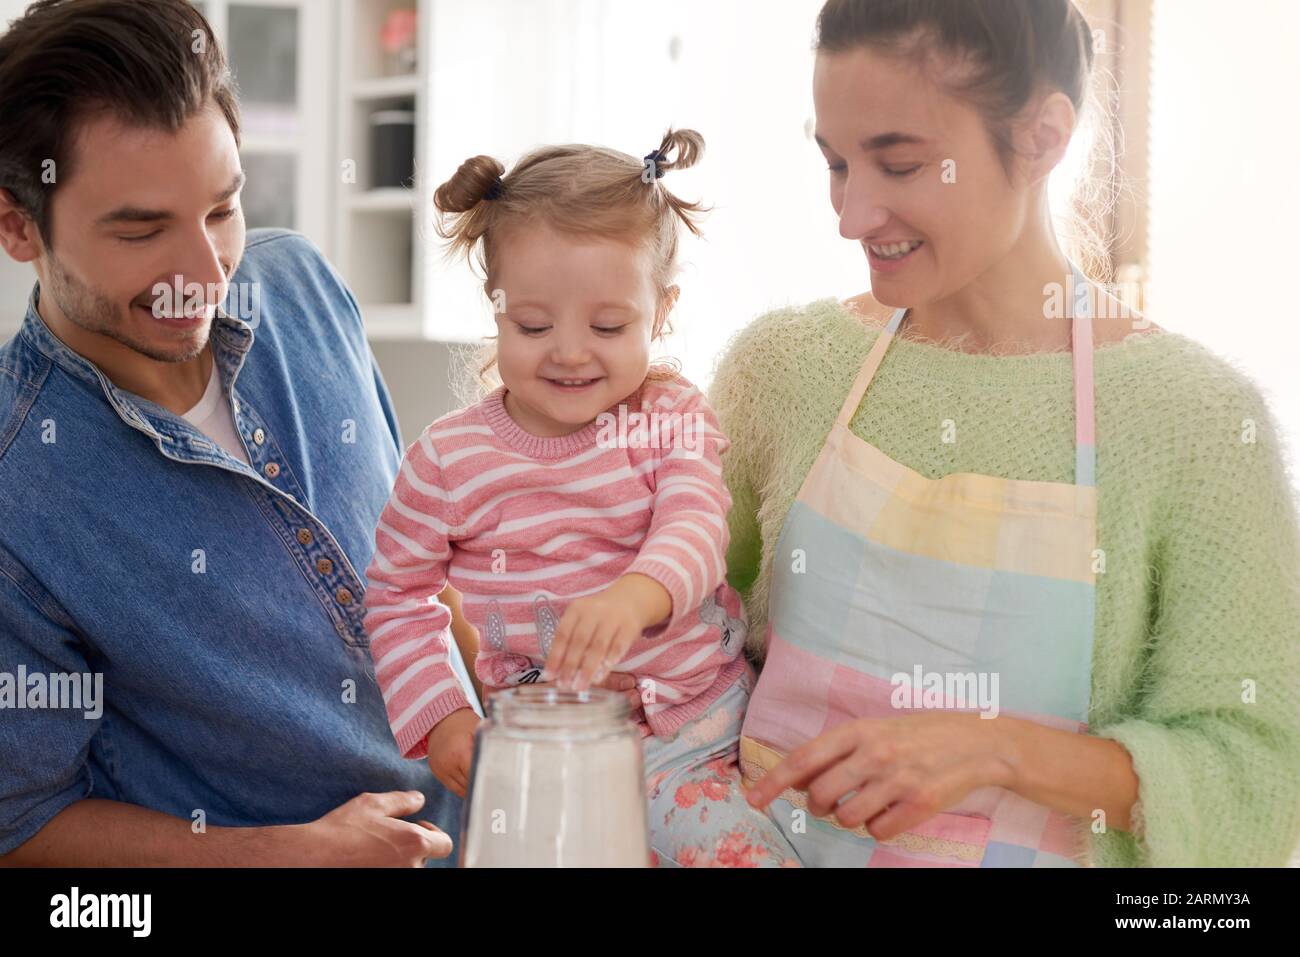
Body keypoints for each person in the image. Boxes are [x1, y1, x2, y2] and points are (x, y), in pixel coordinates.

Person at [712, 0, 1300, 866]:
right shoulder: (783, 368)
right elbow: (666, 635)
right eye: (836, 163)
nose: (852, 214)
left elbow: (1261, 777)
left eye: (900, 164)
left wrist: (998, 748)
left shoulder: (1195, 421)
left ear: (1041, 137)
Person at [0, 0, 460, 866]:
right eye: (141, 230)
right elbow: (22, 823)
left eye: (220, 210)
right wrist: (289, 852)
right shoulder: (17, 489)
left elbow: (416, 561)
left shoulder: (305, 285)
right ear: (17, 224)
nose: (206, 275)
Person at [363, 131, 798, 867]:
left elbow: (697, 525)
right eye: (534, 325)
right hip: (543, 755)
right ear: (496, 306)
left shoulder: (671, 415)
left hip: (693, 735)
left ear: (661, 311)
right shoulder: (445, 460)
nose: (568, 351)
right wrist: (443, 717)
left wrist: (634, 595)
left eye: (607, 325)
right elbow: (396, 596)